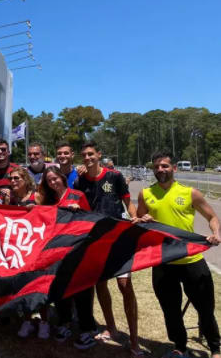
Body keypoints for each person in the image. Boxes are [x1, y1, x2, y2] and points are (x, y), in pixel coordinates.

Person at [135, 150, 220, 358]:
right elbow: (138, 218)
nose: (160, 170)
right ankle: (180, 347)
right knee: (171, 310)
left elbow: (211, 216)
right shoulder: (145, 194)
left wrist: (216, 232)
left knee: (205, 309)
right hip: (163, 262)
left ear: (174, 168)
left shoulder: (190, 192)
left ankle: (215, 347)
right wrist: (141, 218)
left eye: (164, 166)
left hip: (191, 260)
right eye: (156, 166)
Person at [75, 141, 142, 355]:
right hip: (94, 242)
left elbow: (127, 202)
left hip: (118, 240)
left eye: (91, 154)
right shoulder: (80, 182)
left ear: (99, 154)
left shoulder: (115, 177)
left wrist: (135, 217)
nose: (88, 158)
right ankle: (111, 328)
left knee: (124, 285)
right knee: (101, 286)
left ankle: (134, 340)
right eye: (84, 155)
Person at [36, 166, 92, 345]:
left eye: (55, 179)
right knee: (60, 290)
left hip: (78, 251)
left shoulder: (77, 195)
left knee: (82, 290)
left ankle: (86, 330)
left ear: (62, 177)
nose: (53, 182)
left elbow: (91, 220)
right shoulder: (48, 201)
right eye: (49, 180)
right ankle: (64, 323)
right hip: (57, 252)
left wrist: (79, 211)